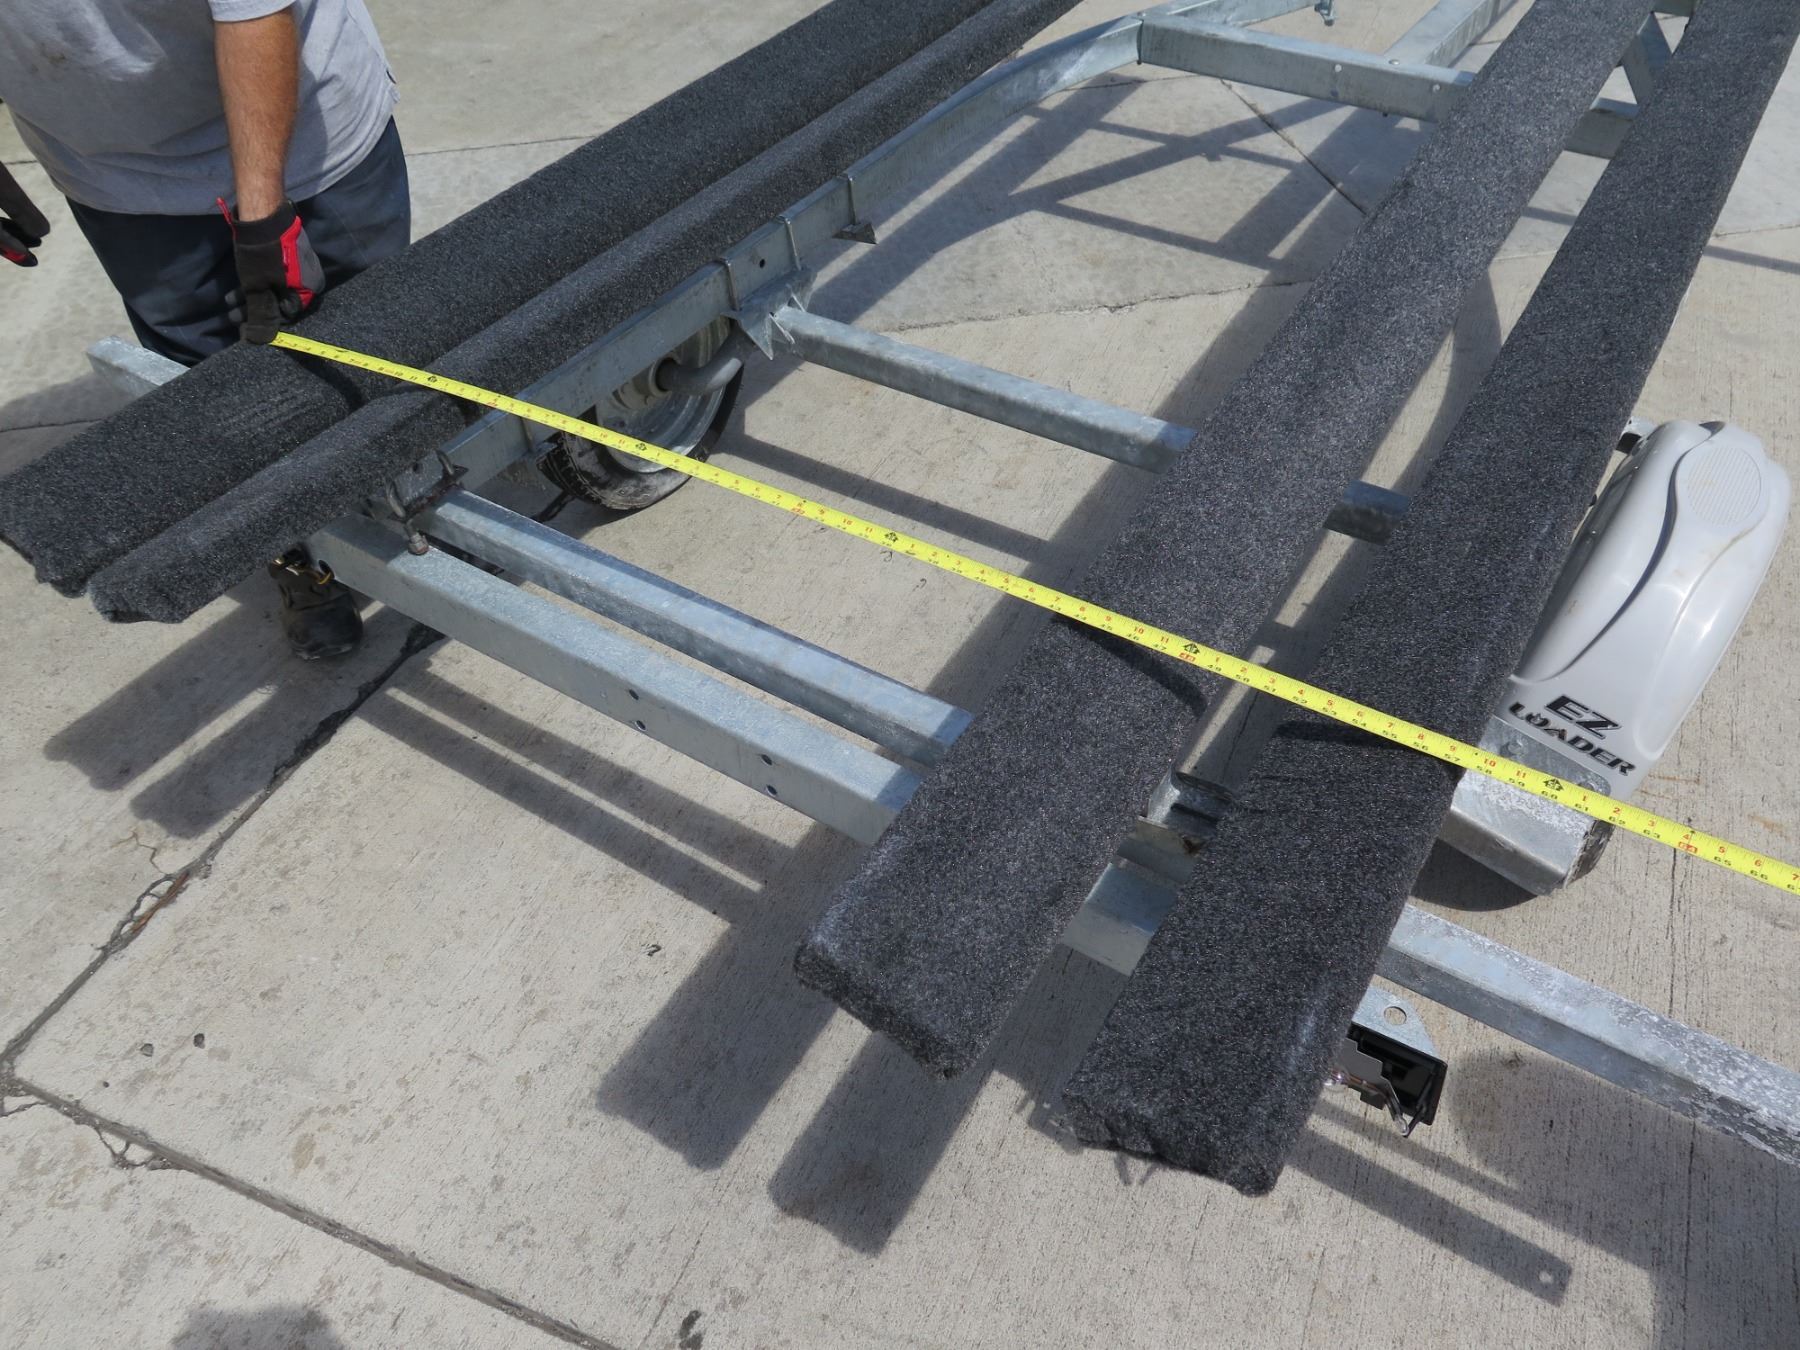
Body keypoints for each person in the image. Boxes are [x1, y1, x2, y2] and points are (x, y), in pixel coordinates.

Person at [0, 1, 411, 659]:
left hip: (306, 136)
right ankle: (300, 556)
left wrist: (264, 217)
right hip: (116, 174)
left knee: (376, 347)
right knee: (213, 391)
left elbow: (254, 11)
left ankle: (416, 502)